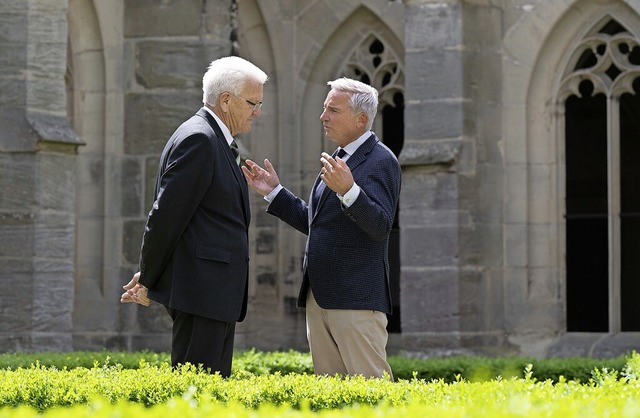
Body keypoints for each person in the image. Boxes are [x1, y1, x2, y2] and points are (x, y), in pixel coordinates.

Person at [242, 77, 401, 379]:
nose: (323, 116)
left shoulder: (381, 161)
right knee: (332, 398)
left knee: (373, 396)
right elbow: (317, 224)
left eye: (333, 110)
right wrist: (274, 192)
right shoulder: (340, 158)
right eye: (324, 108)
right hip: (320, 298)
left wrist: (350, 191)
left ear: (361, 119)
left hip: (355, 301)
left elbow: (381, 226)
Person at [120, 56, 268, 377]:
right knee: (198, 396)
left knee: (210, 393)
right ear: (226, 101)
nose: (258, 111)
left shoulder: (213, 138)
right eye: (253, 102)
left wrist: (148, 273)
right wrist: (147, 277)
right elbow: (165, 217)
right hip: (203, 293)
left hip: (213, 294)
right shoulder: (200, 139)